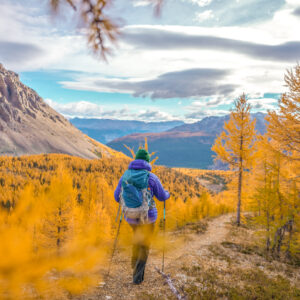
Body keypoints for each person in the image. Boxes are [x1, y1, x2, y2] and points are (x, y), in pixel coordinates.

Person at [114, 149, 170, 284]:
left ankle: (134, 262)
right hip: (148, 217)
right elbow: (162, 197)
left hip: (131, 216)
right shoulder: (151, 177)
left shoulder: (125, 176)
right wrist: (168, 193)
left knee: (137, 237)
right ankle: (138, 278)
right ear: (147, 162)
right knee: (145, 245)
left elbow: (117, 197)